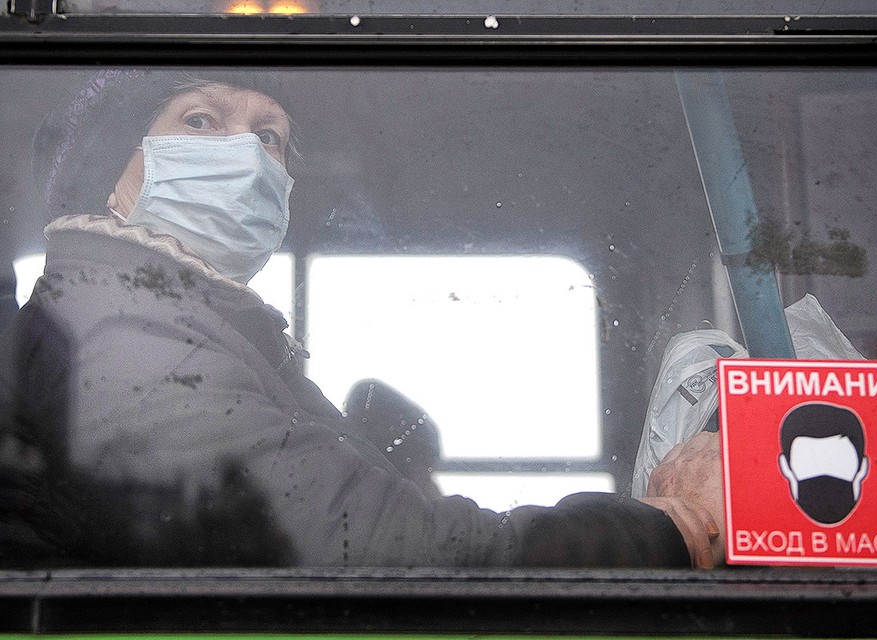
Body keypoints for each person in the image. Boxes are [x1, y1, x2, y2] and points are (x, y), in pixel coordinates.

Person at [0, 69, 724, 569]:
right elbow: (368, 546)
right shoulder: (110, 336)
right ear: (111, 166)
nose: (245, 154)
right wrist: (672, 530)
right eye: (200, 120)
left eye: (270, 137)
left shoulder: (194, 325)